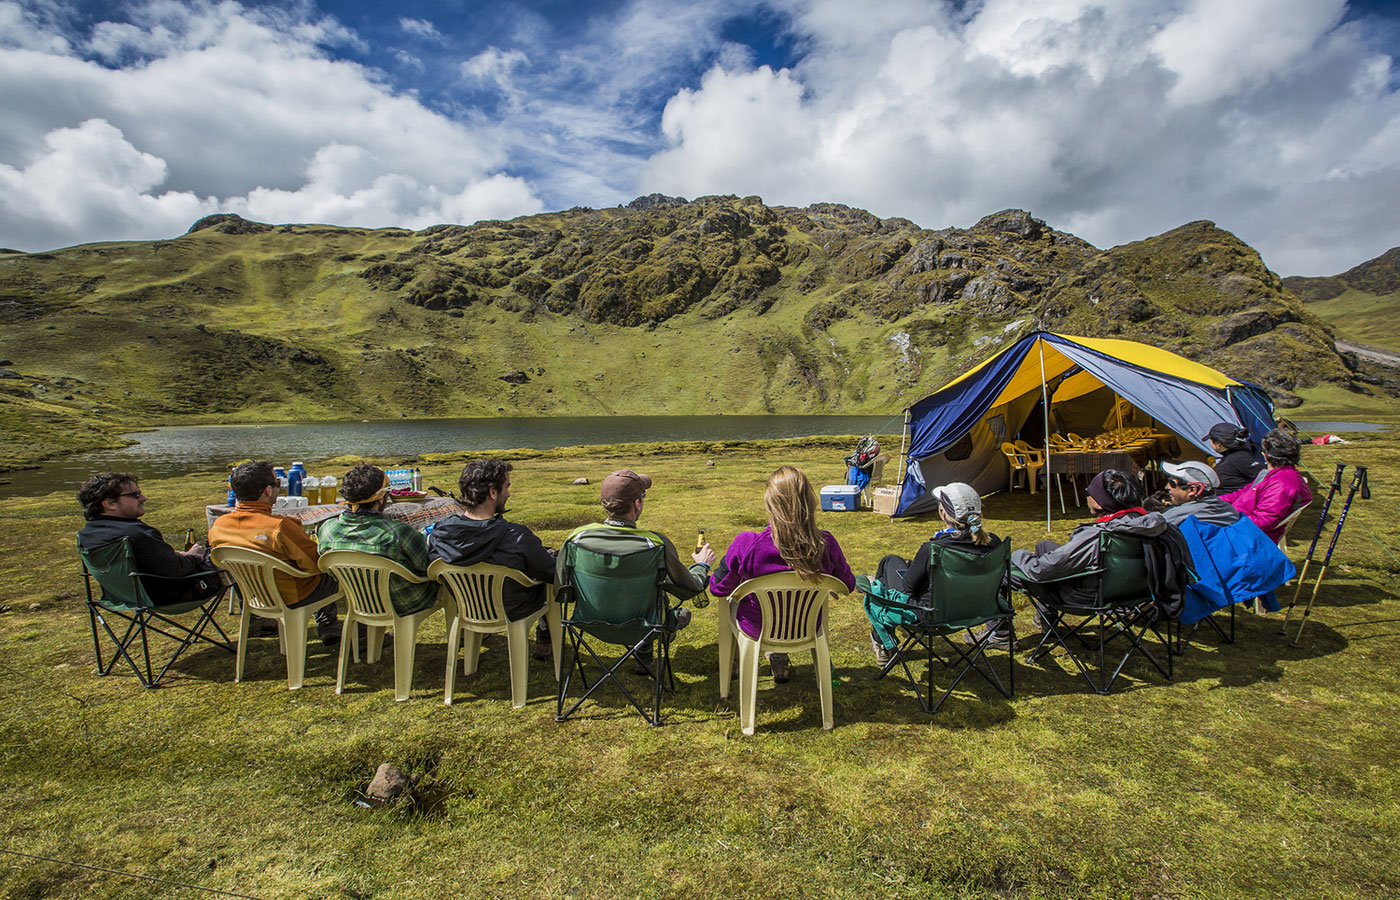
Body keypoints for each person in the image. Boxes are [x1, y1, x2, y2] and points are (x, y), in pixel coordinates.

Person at [709, 466, 856, 683]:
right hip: (806, 626)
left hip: (758, 628)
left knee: (734, 600)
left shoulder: (748, 543)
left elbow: (717, 587)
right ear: (809, 500)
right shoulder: (825, 543)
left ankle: (739, 662)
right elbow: (848, 584)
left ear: (770, 502)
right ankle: (779, 657)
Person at [562, 468, 715, 674]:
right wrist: (702, 565)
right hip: (645, 626)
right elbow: (690, 587)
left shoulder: (576, 538)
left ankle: (645, 655)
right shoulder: (656, 544)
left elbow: (563, 588)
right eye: (642, 496)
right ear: (637, 503)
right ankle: (648, 649)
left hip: (588, 623)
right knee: (656, 599)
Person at [428, 459, 555, 660]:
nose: (509, 493)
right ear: (492, 492)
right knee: (546, 578)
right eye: (506, 487)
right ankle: (546, 639)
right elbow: (553, 572)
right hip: (514, 610)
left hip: (466, 608)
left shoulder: (440, 534)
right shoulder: (517, 537)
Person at [863, 482, 1005, 659]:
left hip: (931, 617)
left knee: (889, 563)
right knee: (901, 566)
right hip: (976, 611)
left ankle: (883, 643)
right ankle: (1003, 633)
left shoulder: (933, 549)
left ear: (943, 513)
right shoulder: (995, 544)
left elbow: (908, 589)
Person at [209, 460, 342, 645]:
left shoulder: (219, 526)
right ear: (268, 490)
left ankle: (260, 620)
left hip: (254, 595)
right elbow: (315, 564)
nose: (279, 487)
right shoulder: (280, 527)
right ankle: (332, 626)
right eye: (277, 483)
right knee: (337, 573)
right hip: (293, 595)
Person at [1011, 469, 1180, 612]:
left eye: (1088, 493)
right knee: (1044, 546)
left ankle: (1001, 635)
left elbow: (1041, 570)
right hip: (1136, 591)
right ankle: (1045, 622)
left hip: (1088, 596)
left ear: (1099, 503)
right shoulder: (1153, 525)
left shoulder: (1097, 535)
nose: (1087, 497)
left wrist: (1019, 555)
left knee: (1003, 572)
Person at [76, 472, 221, 605]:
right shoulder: (135, 533)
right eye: (135, 495)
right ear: (109, 503)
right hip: (171, 596)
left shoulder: (86, 535)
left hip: (123, 598)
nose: (143, 498)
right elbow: (177, 570)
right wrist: (195, 556)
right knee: (231, 557)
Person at [316, 463, 438, 617]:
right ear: (381, 499)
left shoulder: (327, 529)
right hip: (405, 602)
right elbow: (427, 566)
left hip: (358, 600)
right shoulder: (398, 532)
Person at [1221, 428, 1313, 544]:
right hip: (1236, 523)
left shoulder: (1283, 484)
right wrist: (1213, 502)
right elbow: (1242, 493)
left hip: (1243, 537)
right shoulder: (1274, 476)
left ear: (1264, 455)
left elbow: (1263, 521)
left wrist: (1225, 521)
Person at [1159, 460, 1241, 527]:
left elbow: (1149, 526)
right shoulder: (1229, 510)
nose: (1167, 487)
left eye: (1172, 483)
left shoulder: (1181, 514)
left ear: (1192, 490)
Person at [1205, 423, 1263, 494]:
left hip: (1234, 502)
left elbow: (1264, 473)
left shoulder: (1240, 458)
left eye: (1211, 440)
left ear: (1219, 444)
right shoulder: (1233, 455)